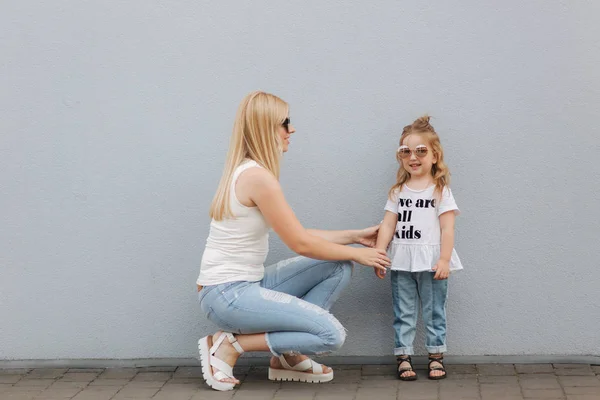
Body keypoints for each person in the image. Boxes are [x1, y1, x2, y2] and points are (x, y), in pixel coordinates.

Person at [196, 91, 391, 391]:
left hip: (244, 286)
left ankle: (287, 356)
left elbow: (298, 232)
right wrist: (359, 255)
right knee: (331, 335)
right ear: (265, 128)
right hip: (227, 295)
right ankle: (228, 345)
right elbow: (300, 243)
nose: (292, 130)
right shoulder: (258, 178)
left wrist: (354, 238)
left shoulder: (250, 171)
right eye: (285, 123)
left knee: (337, 265)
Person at [374, 115, 463, 381]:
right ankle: (404, 356)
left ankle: (436, 355)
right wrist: (379, 254)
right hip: (402, 260)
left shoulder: (440, 191)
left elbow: (448, 228)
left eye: (421, 151)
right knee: (404, 311)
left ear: (434, 155)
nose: (413, 157)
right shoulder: (397, 192)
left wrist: (445, 259)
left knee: (435, 309)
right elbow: (388, 225)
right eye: (406, 152)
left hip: (432, 261)